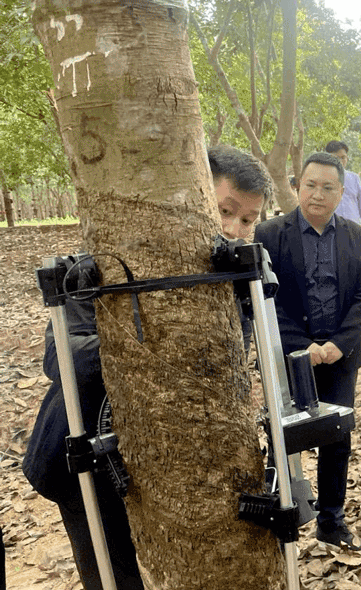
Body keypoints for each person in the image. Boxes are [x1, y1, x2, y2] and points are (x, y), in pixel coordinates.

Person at [22, 145, 274, 590]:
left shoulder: (232, 274)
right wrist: (157, 348)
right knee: (113, 576)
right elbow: (61, 358)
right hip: (85, 458)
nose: (234, 229)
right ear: (194, 198)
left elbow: (232, 361)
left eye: (248, 220)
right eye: (225, 211)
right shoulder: (104, 261)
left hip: (172, 467)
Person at [254, 151, 361, 551]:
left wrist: (339, 344)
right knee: (283, 436)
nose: (317, 194)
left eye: (328, 187)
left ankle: (331, 520)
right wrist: (303, 345)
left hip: (340, 356)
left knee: (337, 438)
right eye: (310, 185)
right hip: (289, 357)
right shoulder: (270, 234)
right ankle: (282, 515)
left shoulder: (354, 235)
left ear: (341, 193)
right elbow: (267, 301)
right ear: (297, 186)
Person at [325, 140, 361, 248]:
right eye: (336, 158)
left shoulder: (354, 178)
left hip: (354, 231)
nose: (340, 161)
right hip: (329, 233)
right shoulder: (322, 179)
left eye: (343, 157)